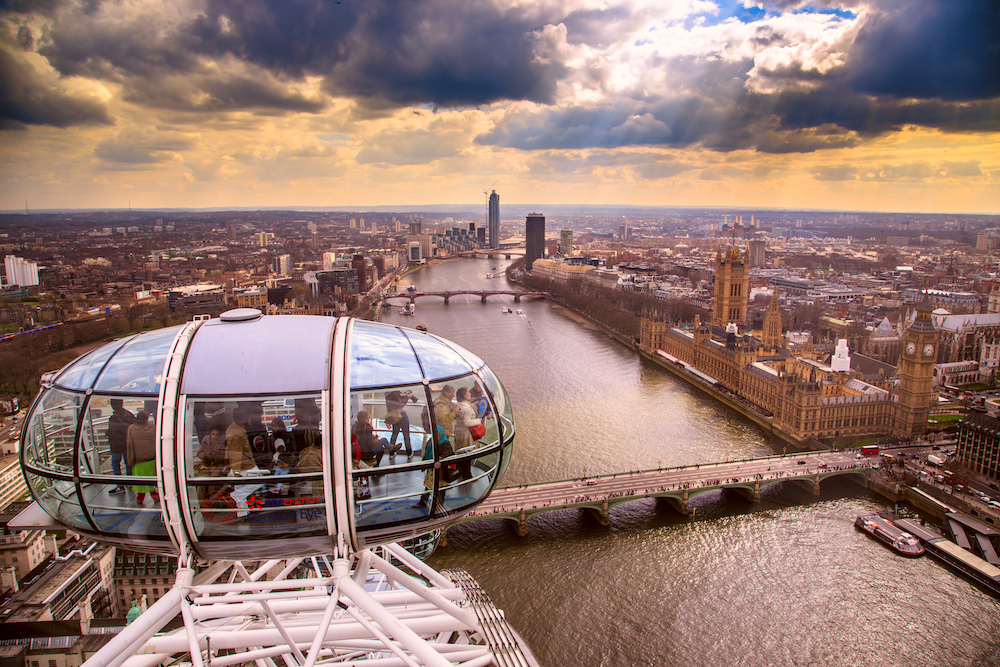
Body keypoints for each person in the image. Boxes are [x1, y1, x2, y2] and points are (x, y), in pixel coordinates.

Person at [226, 407, 264, 518]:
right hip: (245, 465)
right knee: (260, 480)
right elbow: (237, 453)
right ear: (243, 418)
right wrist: (236, 470)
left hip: (237, 465)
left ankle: (242, 514)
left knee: (240, 488)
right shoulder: (237, 433)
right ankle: (236, 496)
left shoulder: (232, 429)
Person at [412, 426, 451, 510]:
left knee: (441, 487)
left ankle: (440, 503)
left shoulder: (445, 442)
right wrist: (424, 464)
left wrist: (441, 457)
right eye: (434, 432)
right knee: (429, 485)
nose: (436, 434)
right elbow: (427, 452)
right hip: (431, 468)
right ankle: (423, 501)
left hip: (440, 469)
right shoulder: (431, 441)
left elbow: (449, 452)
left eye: (437, 432)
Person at [126, 411, 157, 504]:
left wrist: (130, 460)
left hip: (138, 460)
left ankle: (140, 498)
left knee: (141, 481)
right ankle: (154, 495)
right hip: (151, 459)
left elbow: (129, 445)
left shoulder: (131, 429)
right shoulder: (153, 428)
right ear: (147, 418)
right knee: (152, 479)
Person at [106, 399, 135, 495]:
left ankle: (120, 485)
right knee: (128, 462)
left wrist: (108, 434)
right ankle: (130, 481)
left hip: (116, 446)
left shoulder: (113, 418)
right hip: (127, 443)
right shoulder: (129, 415)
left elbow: (112, 432)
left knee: (115, 463)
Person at [451, 387, 478, 480]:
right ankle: (467, 476)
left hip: (459, 432)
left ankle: (462, 472)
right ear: (464, 395)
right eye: (468, 392)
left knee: (461, 453)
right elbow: (467, 422)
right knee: (467, 454)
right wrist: (479, 421)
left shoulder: (459, 404)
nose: (470, 393)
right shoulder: (466, 408)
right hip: (465, 433)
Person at [385, 389, 418, 457]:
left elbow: (396, 401)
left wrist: (404, 396)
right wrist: (407, 397)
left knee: (394, 434)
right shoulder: (394, 393)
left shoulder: (387, 393)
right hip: (401, 415)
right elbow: (400, 404)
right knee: (406, 435)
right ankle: (409, 453)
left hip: (394, 416)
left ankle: (391, 453)